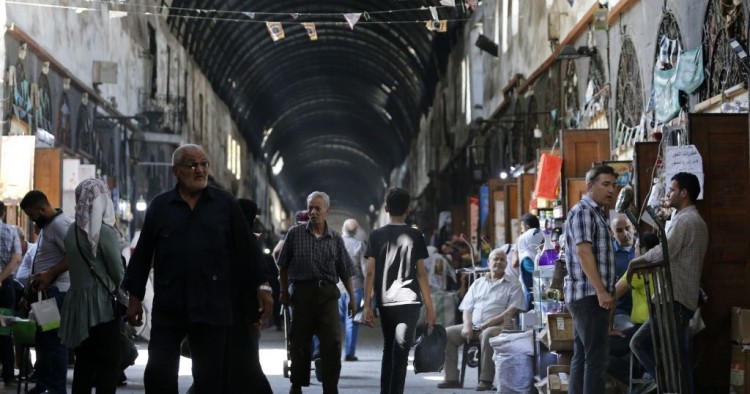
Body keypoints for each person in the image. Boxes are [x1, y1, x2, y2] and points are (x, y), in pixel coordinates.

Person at [123, 144, 268, 394]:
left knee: (209, 377)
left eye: (204, 164)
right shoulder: (160, 207)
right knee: (158, 372)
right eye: (192, 165)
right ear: (176, 171)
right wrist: (134, 297)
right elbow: (143, 254)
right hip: (170, 305)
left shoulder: (225, 204)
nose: (200, 170)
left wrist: (263, 287)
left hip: (212, 305)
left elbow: (247, 249)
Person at [627, 172, 708, 394]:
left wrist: (635, 262)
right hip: (682, 299)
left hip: (675, 298)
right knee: (679, 358)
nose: (668, 194)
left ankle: (665, 385)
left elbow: (663, 253)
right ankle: (668, 385)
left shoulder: (684, 220)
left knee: (642, 344)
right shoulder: (696, 220)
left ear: (684, 193)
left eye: (672, 190)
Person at [277, 191, 355, 394]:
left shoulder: (335, 239)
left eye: (317, 208)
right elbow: (283, 265)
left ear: (326, 211)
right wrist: (283, 291)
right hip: (301, 294)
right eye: (310, 207)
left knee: (332, 344)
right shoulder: (295, 234)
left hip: (327, 295)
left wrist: (353, 299)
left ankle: (330, 387)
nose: (312, 212)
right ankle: (297, 384)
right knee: (299, 343)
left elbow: (345, 270)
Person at [362, 187, 436, 394]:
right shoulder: (415, 235)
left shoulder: (376, 235)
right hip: (410, 301)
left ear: (385, 208)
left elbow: (370, 272)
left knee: (388, 348)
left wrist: (367, 304)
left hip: (386, 302)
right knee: (401, 352)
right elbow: (421, 274)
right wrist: (430, 307)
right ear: (408, 209)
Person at [58, 178, 124, 394]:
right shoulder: (104, 232)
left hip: (78, 306)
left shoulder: (71, 232)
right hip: (103, 306)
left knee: (83, 364)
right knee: (107, 365)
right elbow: (117, 273)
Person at [436, 247, 525, 391]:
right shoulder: (478, 283)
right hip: (475, 326)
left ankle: (486, 380)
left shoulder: (514, 284)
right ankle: (451, 378)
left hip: (500, 326)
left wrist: (493, 321)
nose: (499, 262)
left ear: (507, 264)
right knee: (447, 333)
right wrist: (467, 325)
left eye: (502, 259)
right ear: (488, 263)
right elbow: (467, 308)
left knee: (488, 334)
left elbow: (512, 310)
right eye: (495, 259)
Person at [562, 165, 618, 394]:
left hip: (588, 294)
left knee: (583, 355)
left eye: (614, 185)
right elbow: (583, 253)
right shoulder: (584, 212)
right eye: (605, 184)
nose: (611, 190)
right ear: (590, 186)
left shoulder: (597, 213)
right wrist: (601, 291)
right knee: (596, 358)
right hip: (588, 295)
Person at [20, 190, 73, 394]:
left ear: (43, 209)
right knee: (43, 341)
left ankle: (57, 389)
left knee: (54, 343)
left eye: (33, 215)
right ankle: (44, 384)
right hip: (45, 295)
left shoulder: (60, 225)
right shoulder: (48, 226)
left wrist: (50, 274)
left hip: (55, 293)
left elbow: (73, 257)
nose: (32, 219)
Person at [231, 198, 273, 394]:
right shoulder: (247, 242)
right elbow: (248, 282)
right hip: (243, 315)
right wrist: (254, 317)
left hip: (225, 314)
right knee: (248, 364)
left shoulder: (228, 237)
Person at [0, 202, 21, 386]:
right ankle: (8, 375)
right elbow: (16, 258)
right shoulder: (11, 231)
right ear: (3, 213)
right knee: (4, 331)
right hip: (5, 287)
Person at [340, 219, 366, 362]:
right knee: (352, 322)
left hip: (336, 288)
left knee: (333, 322)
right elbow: (366, 270)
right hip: (355, 289)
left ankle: (329, 351)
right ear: (355, 231)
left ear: (342, 229)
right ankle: (349, 353)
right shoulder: (359, 245)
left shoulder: (334, 243)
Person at [610, 214, 636, 331]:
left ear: (633, 228)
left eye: (627, 228)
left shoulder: (643, 248)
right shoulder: (609, 255)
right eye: (619, 230)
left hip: (647, 309)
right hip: (622, 311)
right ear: (612, 234)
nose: (625, 233)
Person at [513, 213, 544, 295]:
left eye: (522, 228)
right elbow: (539, 274)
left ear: (527, 227)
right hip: (531, 295)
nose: (521, 231)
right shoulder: (527, 258)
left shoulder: (537, 255)